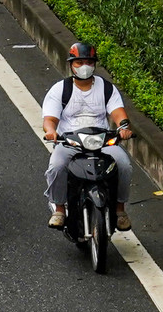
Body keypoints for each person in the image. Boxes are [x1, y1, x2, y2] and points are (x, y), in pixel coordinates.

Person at [41, 43, 134, 231]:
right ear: (71, 65)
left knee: (124, 164)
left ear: (94, 64)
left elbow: (119, 114)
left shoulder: (107, 88)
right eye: (79, 62)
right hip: (70, 141)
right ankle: (59, 210)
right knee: (57, 166)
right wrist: (51, 131)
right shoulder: (60, 90)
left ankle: (120, 210)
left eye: (89, 62)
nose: (84, 66)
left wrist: (123, 127)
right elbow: (50, 119)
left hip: (102, 141)